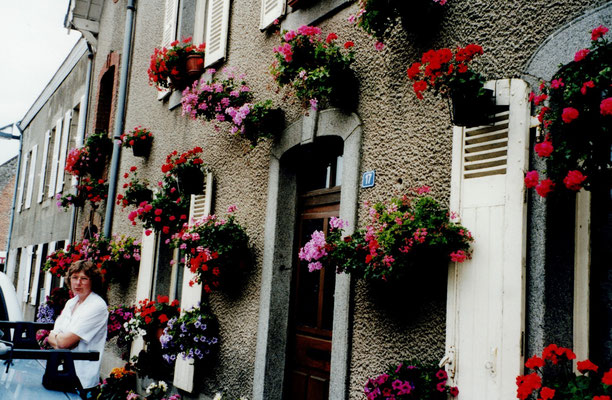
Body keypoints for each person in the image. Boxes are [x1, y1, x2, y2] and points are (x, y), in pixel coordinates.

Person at [48, 259, 108, 398]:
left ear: (92, 281)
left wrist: (59, 339)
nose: (78, 283)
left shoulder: (96, 305)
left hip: (82, 382)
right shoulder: (72, 302)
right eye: (74, 278)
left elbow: (64, 343)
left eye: (84, 278)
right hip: (63, 373)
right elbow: (54, 337)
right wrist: (60, 339)